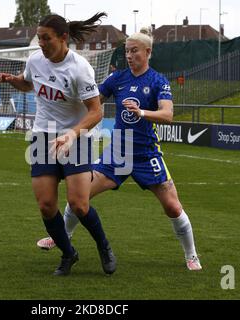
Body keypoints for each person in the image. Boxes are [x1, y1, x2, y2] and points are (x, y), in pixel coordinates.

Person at [37, 27, 203, 271]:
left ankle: (191, 255)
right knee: (79, 197)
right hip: (118, 152)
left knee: (173, 207)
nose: (129, 55)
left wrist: (142, 112)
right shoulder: (117, 78)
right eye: (127, 51)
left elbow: (168, 115)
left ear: (148, 52)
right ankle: (62, 237)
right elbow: (92, 104)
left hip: (147, 154)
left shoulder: (158, 80)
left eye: (134, 51)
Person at [0, 12, 116, 276]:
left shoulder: (80, 68)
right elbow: (29, 84)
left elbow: (96, 112)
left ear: (63, 38)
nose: (41, 43)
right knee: (47, 205)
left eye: (46, 38)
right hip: (43, 135)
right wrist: (14, 81)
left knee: (79, 204)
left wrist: (72, 134)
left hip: (77, 137)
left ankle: (104, 246)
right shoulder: (36, 59)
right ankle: (68, 253)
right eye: (39, 38)